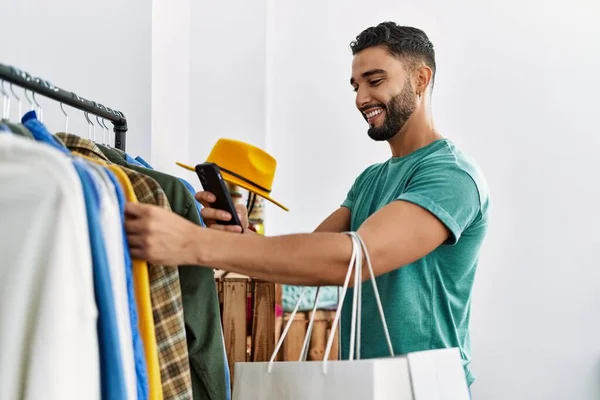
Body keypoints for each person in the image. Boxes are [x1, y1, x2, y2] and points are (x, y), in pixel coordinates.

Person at [125, 21, 490, 390]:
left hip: (423, 388)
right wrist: (241, 238)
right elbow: (306, 260)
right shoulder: (370, 180)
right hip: (367, 385)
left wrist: (194, 243)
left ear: (421, 79)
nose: (361, 98)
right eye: (356, 85)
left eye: (374, 81)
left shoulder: (452, 175)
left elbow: (356, 258)